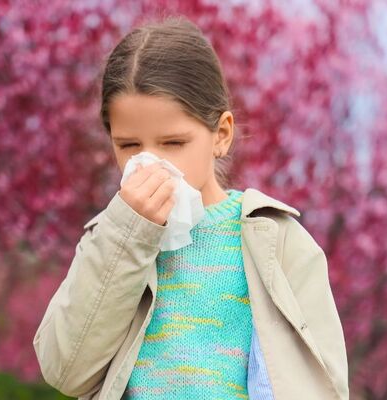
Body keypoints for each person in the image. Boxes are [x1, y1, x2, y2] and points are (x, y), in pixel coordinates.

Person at [33, 14, 350, 400]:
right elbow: (65, 370)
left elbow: (324, 382)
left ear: (221, 135)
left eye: (173, 143)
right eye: (129, 146)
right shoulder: (108, 238)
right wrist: (128, 232)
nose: (151, 163)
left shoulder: (278, 240)